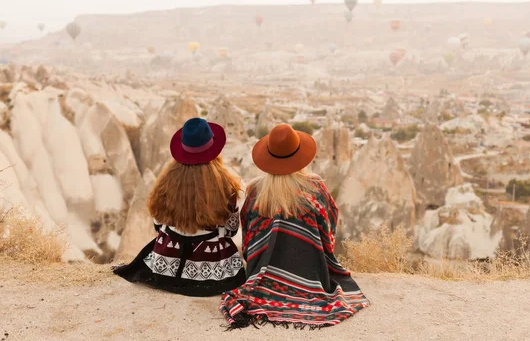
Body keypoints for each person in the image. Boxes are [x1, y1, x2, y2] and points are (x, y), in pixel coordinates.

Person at [220, 124, 369, 329]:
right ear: (300, 155)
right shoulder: (316, 189)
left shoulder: (255, 190)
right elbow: (329, 230)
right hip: (311, 273)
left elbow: (248, 238)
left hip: (260, 274)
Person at [113, 118, 246, 296]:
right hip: (214, 271)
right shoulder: (226, 187)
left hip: (166, 267)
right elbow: (231, 230)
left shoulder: (165, 183)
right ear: (214, 149)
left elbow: (158, 224)